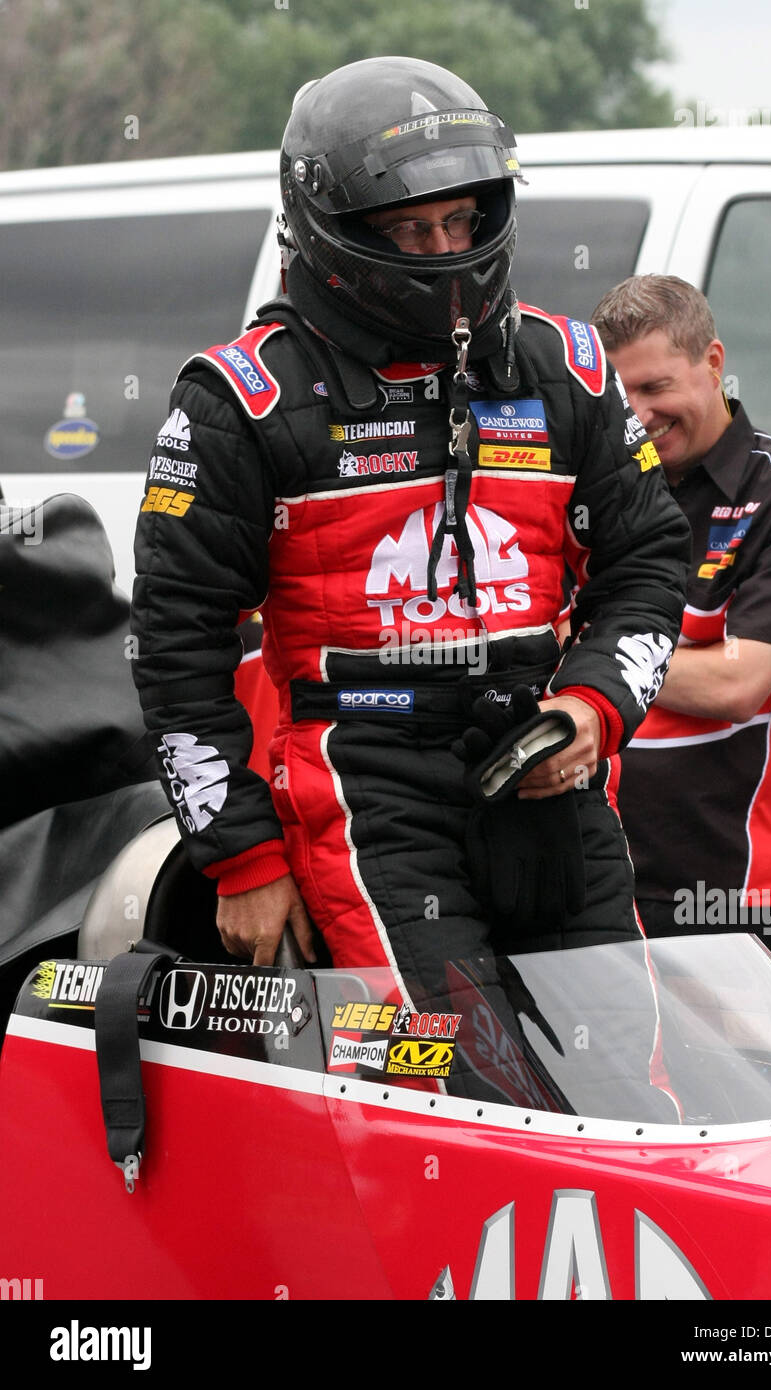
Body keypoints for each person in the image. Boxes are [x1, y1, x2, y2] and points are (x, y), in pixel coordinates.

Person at [130, 58, 690, 1014]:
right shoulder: (241, 397)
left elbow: (648, 563)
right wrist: (242, 857)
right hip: (366, 782)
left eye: (461, 219)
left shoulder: (569, 366)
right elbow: (174, 641)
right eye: (409, 227)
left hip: (541, 763)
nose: (445, 246)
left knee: (625, 1085)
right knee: (452, 1088)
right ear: (336, 230)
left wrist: (594, 707)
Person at [592, 274, 771, 992]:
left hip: (737, 889)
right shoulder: (594, 489)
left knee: (752, 1100)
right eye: (621, 396)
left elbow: (739, 684)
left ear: (713, 363)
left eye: (656, 387)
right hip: (598, 883)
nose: (638, 414)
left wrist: (599, 654)